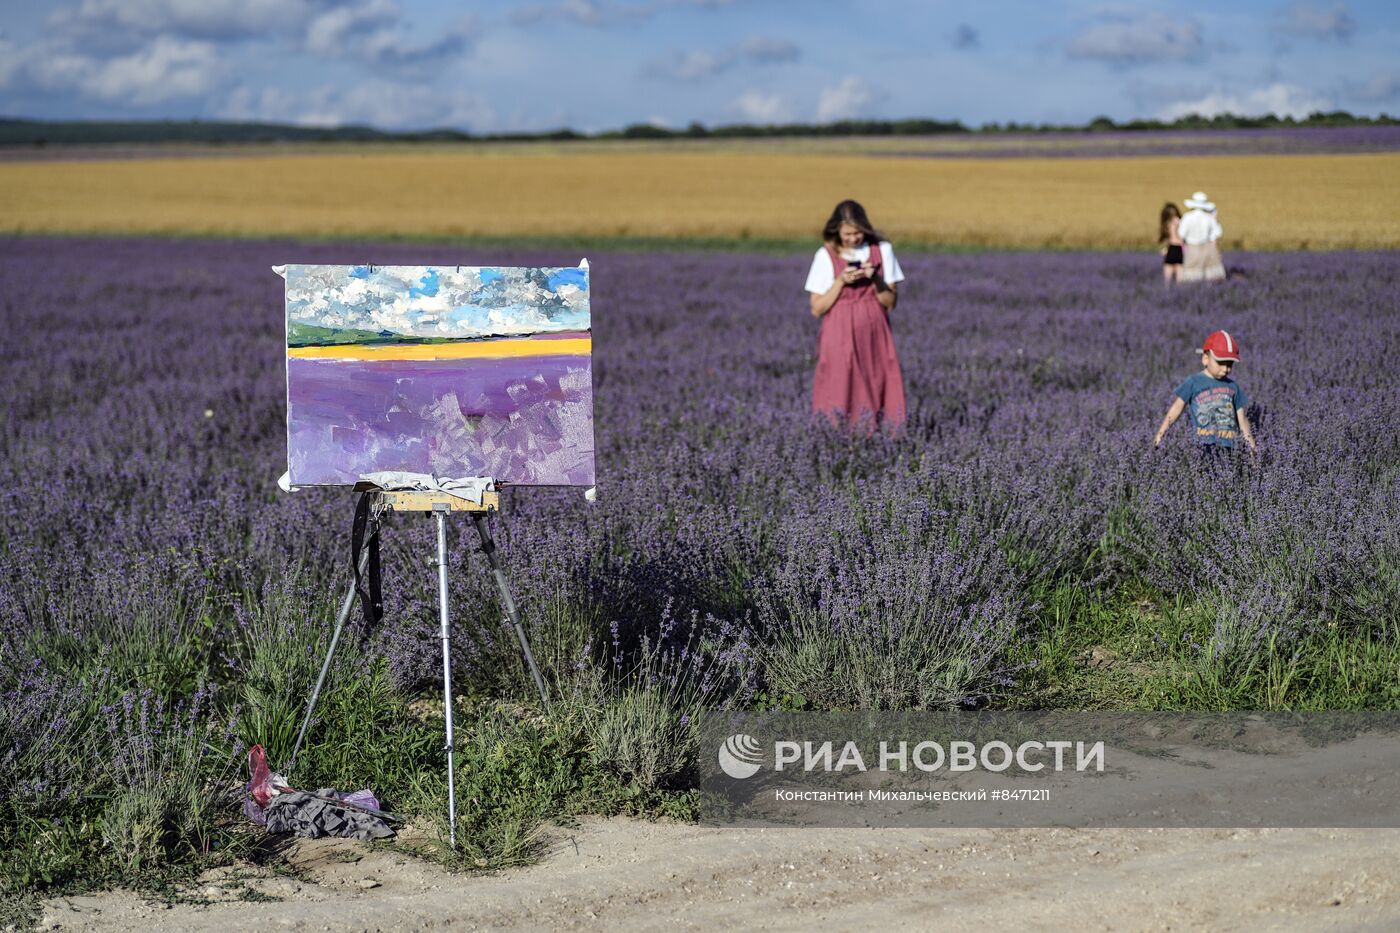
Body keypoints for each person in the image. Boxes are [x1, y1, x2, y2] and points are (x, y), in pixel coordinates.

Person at [804, 199, 906, 431]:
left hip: (875, 331)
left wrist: (875, 278)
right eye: (848, 233)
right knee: (839, 384)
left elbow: (890, 302)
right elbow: (817, 308)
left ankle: (882, 438)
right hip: (838, 331)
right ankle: (837, 439)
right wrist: (840, 281)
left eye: (858, 232)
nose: (853, 238)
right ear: (837, 230)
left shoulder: (883, 250)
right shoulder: (825, 255)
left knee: (878, 378)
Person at [1153, 330, 1256, 453]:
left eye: (1230, 364)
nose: (1225, 369)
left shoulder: (1233, 387)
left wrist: (1251, 446)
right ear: (1205, 359)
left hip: (1231, 447)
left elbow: (1242, 419)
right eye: (1220, 362)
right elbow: (1177, 407)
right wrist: (1161, 434)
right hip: (1204, 445)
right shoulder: (1194, 382)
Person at [1178, 191, 1226, 283]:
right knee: (1209, 276)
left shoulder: (1187, 217)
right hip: (1207, 248)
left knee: (1191, 275)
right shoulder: (1209, 218)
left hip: (1191, 248)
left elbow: (1181, 235)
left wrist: (1183, 248)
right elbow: (1216, 235)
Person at [1159, 202, 1184, 285]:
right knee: (1175, 277)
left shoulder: (1172, 223)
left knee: (1170, 279)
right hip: (1174, 249)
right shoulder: (1175, 222)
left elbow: (1177, 237)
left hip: (1175, 248)